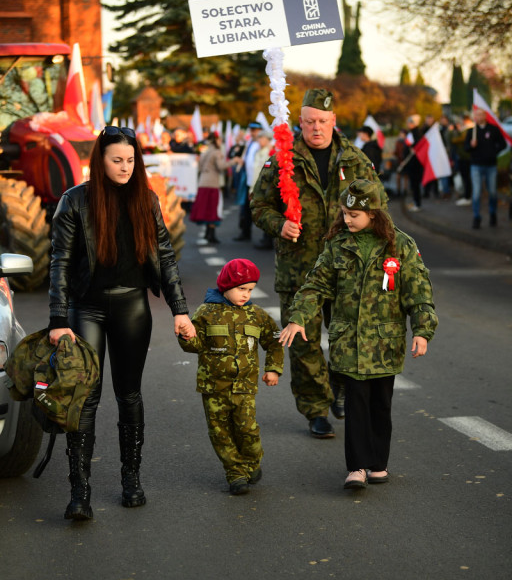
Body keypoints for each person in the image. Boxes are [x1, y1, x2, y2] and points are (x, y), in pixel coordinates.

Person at [48, 125, 196, 521]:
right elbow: (60, 262)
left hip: (133, 307)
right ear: (100, 160)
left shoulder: (146, 200)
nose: (125, 167)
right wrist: (57, 319)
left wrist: (180, 310)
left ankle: (131, 479)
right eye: (117, 160)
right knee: (87, 397)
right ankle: (80, 492)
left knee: (129, 395)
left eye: (131, 160)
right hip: (86, 310)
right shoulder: (74, 201)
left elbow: (165, 257)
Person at [279, 179, 437, 489]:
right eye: (344, 213)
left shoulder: (400, 245)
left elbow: (418, 292)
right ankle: (357, 467)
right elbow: (316, 285)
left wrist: (422, 330)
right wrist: (298, 317)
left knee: (381, 404)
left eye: (354, 215)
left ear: (374, 214)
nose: (347, 219)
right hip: (349, 342)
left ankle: (378, 463)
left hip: (384, 342)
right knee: (355, 404)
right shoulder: (337, 244)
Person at [251, 88, 385, 439]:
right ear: (300, 122)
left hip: (347, 270)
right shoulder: (282, 159)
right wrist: (278, 224)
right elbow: (258, 206)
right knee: (304, 343)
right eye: (310, 121)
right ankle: (315, 410)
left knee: (345, 337)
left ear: (333, 121)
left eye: (323, 121)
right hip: (299, 271)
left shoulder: (356, 160)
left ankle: (339, 385)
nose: (317, 128)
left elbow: (379, 208)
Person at [178, 258, 284, 495]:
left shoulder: (257, 315)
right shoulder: (206, 313)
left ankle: (251, 461)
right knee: (220, 432)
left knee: (248, 431)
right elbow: (195, 345)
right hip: (213, 387)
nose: (246, 294)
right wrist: (186, 335)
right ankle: (235, 472)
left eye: (250, 290)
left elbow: (274, 341)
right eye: (241, 289)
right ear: (226, 286)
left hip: (244, 387)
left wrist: (273, 369)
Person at [189, 131, 239, 244]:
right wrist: (233, 161)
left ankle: (208, 233)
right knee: (212, 209)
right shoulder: (217, 152)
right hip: (212, 184)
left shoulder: (204, 151)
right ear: (216, 140)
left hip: (203, 182)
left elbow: (200, 167)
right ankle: (211, 235)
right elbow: (221, 166)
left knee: (206, 209)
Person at [464, 107, 505, 229]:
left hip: (491, 166)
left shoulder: (493, 130)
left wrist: (493, 152)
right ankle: (476, 217)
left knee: (492, 192)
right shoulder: (472, 131)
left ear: (485, 116)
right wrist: (471, 146)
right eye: (477, 115)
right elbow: (466, 148)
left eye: (481, 114)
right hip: (476, 165)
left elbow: (502, 144)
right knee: (476, 193)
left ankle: (493, 213)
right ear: (475, 117)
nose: (479, 117)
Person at [233, 122, 262, 241]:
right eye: (251, 130)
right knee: (245, 208)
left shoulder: (260, 144)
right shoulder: (250, 143)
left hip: (257, 181)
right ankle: (245, 232)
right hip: (248, 180)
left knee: (260, 209)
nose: (253, 132)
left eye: (255, 130)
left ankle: (266, 237)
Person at [402, 114, 424, 211]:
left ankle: (417, 203)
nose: (407, 124)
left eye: (409, 122)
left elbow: (418, 146)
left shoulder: (416, 133)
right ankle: (415, 202)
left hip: (415, 164)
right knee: (413, 184)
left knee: (415, 184)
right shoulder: (412, 132)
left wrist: (412, 148)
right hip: (411, 163)